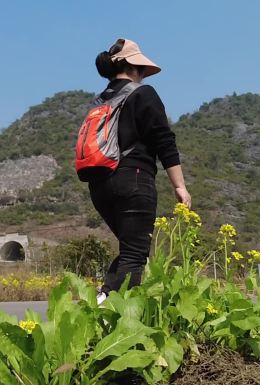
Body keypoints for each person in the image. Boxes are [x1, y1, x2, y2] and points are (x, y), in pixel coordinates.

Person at [88, 38, 192, 304]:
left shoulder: (100, 101)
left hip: (99, 185)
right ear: (134, 66)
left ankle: (102, 300)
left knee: (130, 249)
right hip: (133, 179)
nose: (144, 75)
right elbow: (164, 141)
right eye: (142, 70)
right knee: (135, 254)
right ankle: (114, 315)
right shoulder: (143, 94)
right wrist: (179, 186)